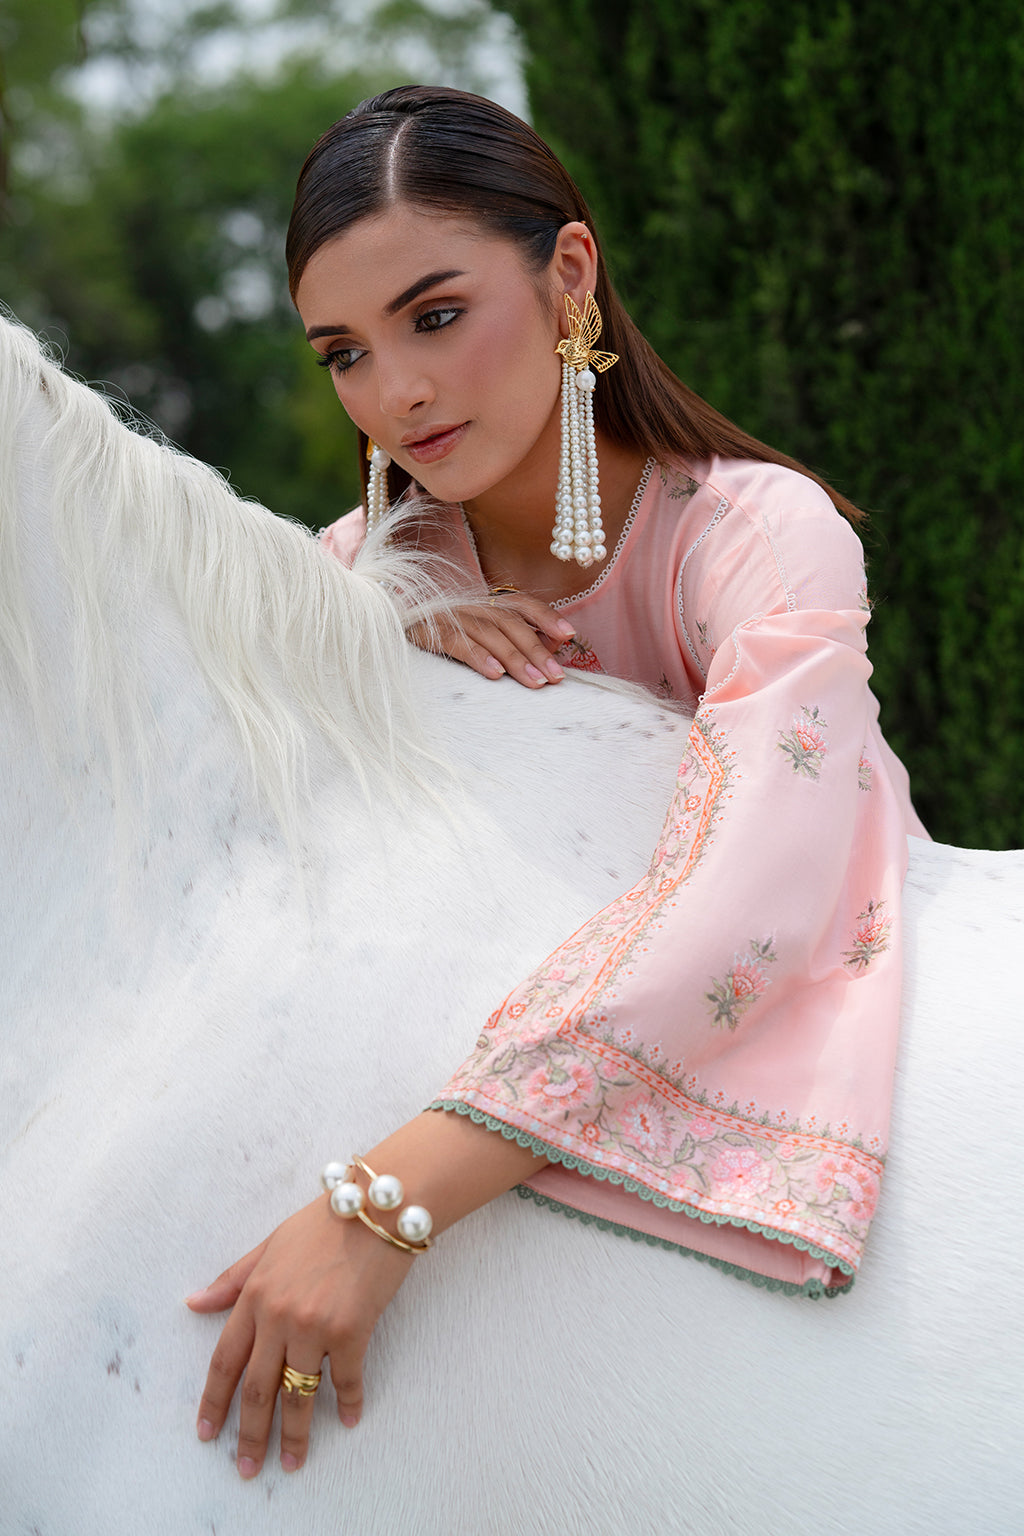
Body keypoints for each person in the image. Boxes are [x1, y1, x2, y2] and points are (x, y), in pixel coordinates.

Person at [187, 84, 928, 1481]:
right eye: (343, 351)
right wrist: (381, 635)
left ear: (570, 275)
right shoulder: (348, 581)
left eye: (437, 314)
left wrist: (380, 1207)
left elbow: (757, 894)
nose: (395, 391)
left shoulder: (761, 538)